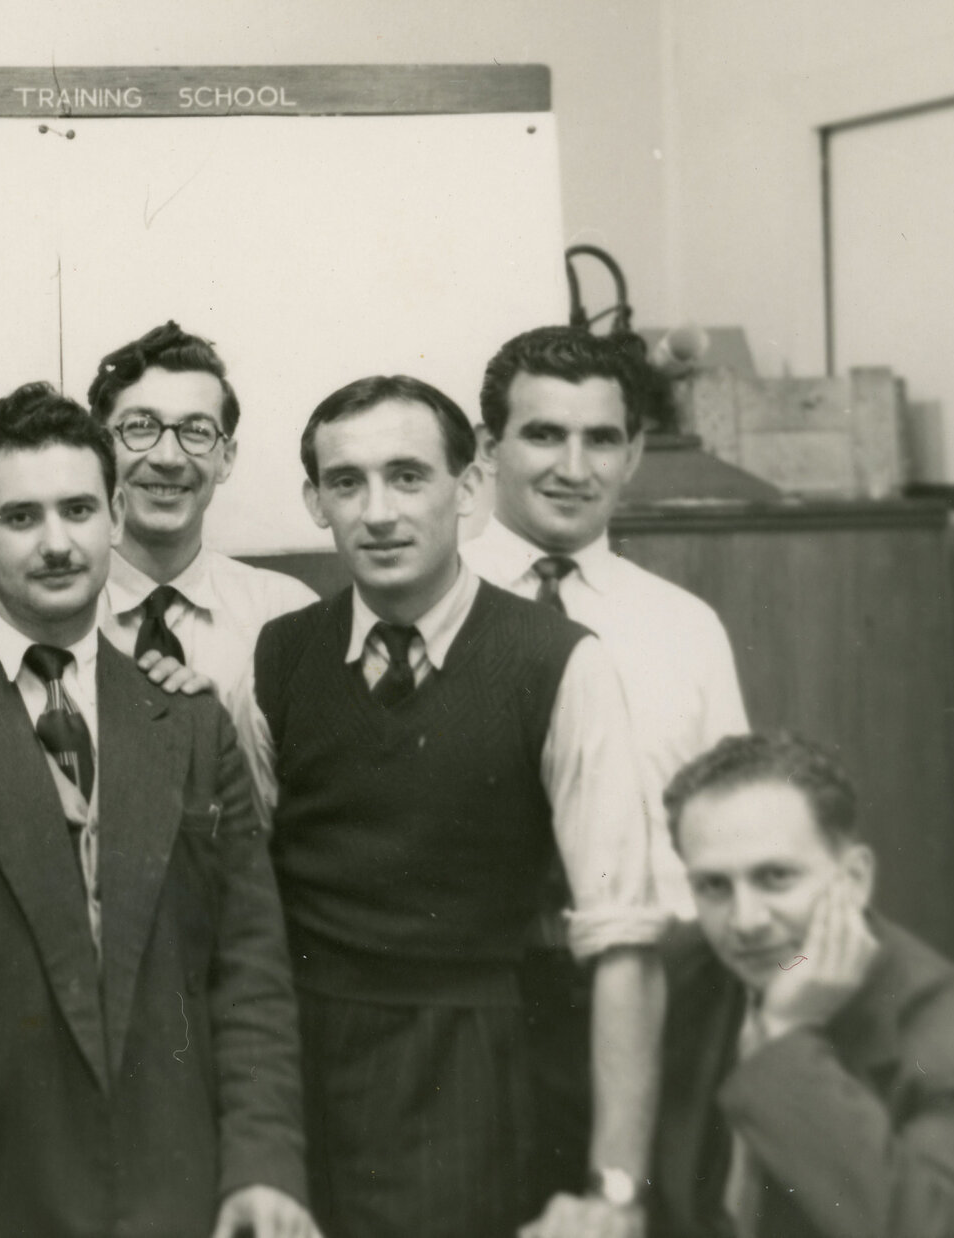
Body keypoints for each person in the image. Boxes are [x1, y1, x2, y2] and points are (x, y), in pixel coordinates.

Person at [0, 382, 314, 1238]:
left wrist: (264, 1165)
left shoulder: (187, 718)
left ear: (114, 512)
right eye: (19, 517)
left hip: (174, 1182)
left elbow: (250, 970)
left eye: (78, 508)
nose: (55, 543)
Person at [243, 375, 667, 1238]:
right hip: (306, 1070)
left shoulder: (558, 662)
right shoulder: (280, 657)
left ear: (467, 489)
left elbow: (623, 936)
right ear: (313, 502)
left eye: (407, 477)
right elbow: (244, 913)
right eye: (346, 483)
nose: (378, 512)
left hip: (481, 1065)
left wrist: (616, 1188)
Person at [463, 325, 751, 1202]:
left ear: (632, 455)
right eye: (543, 434)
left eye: (600, 440)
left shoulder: (684, 627)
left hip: (665, 995)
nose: (572, 466)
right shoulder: (428, 605)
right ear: (487, 450)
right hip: (486, 1002)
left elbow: (732, 838)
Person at [636, 733, 954, 1238]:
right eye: (713, 886)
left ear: (855, 878)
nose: (746, 920)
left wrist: (785, 1038)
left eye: (775, 877)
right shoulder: (681, 974)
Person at [87, 321, 318, 750]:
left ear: (225, 458)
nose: (168, 458)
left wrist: (231, 737)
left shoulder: (288, 615)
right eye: (140, 426)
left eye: (196, 431)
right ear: (100, 448)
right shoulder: (55, 611)